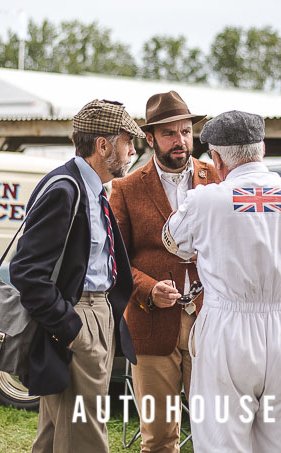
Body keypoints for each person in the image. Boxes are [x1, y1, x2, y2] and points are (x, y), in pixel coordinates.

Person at [162, 110, 281, 453]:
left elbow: (173, 241)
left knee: (222, 441)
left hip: (227, 330)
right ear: (261, 148)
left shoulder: (206, 201)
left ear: (216, 158)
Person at [10, 99, 143, 453]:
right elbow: (26, 271)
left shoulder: (90, 188)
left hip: (93, 315)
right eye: (127, 142)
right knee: (85, 435)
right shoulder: (66, 188)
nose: (133, 151)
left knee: (57, 434)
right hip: (78, 317)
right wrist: (69, 329)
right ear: (103, 145)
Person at [110, 91, 219, 453]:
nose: (181, 141)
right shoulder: (125, 188)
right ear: (150, 137)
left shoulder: (215, 177)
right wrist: (147, 288)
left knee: (216, 433)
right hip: (151, 322)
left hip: (210, 321)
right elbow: (116, 259)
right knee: (158, 439)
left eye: (186, 132)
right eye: (170, 133)